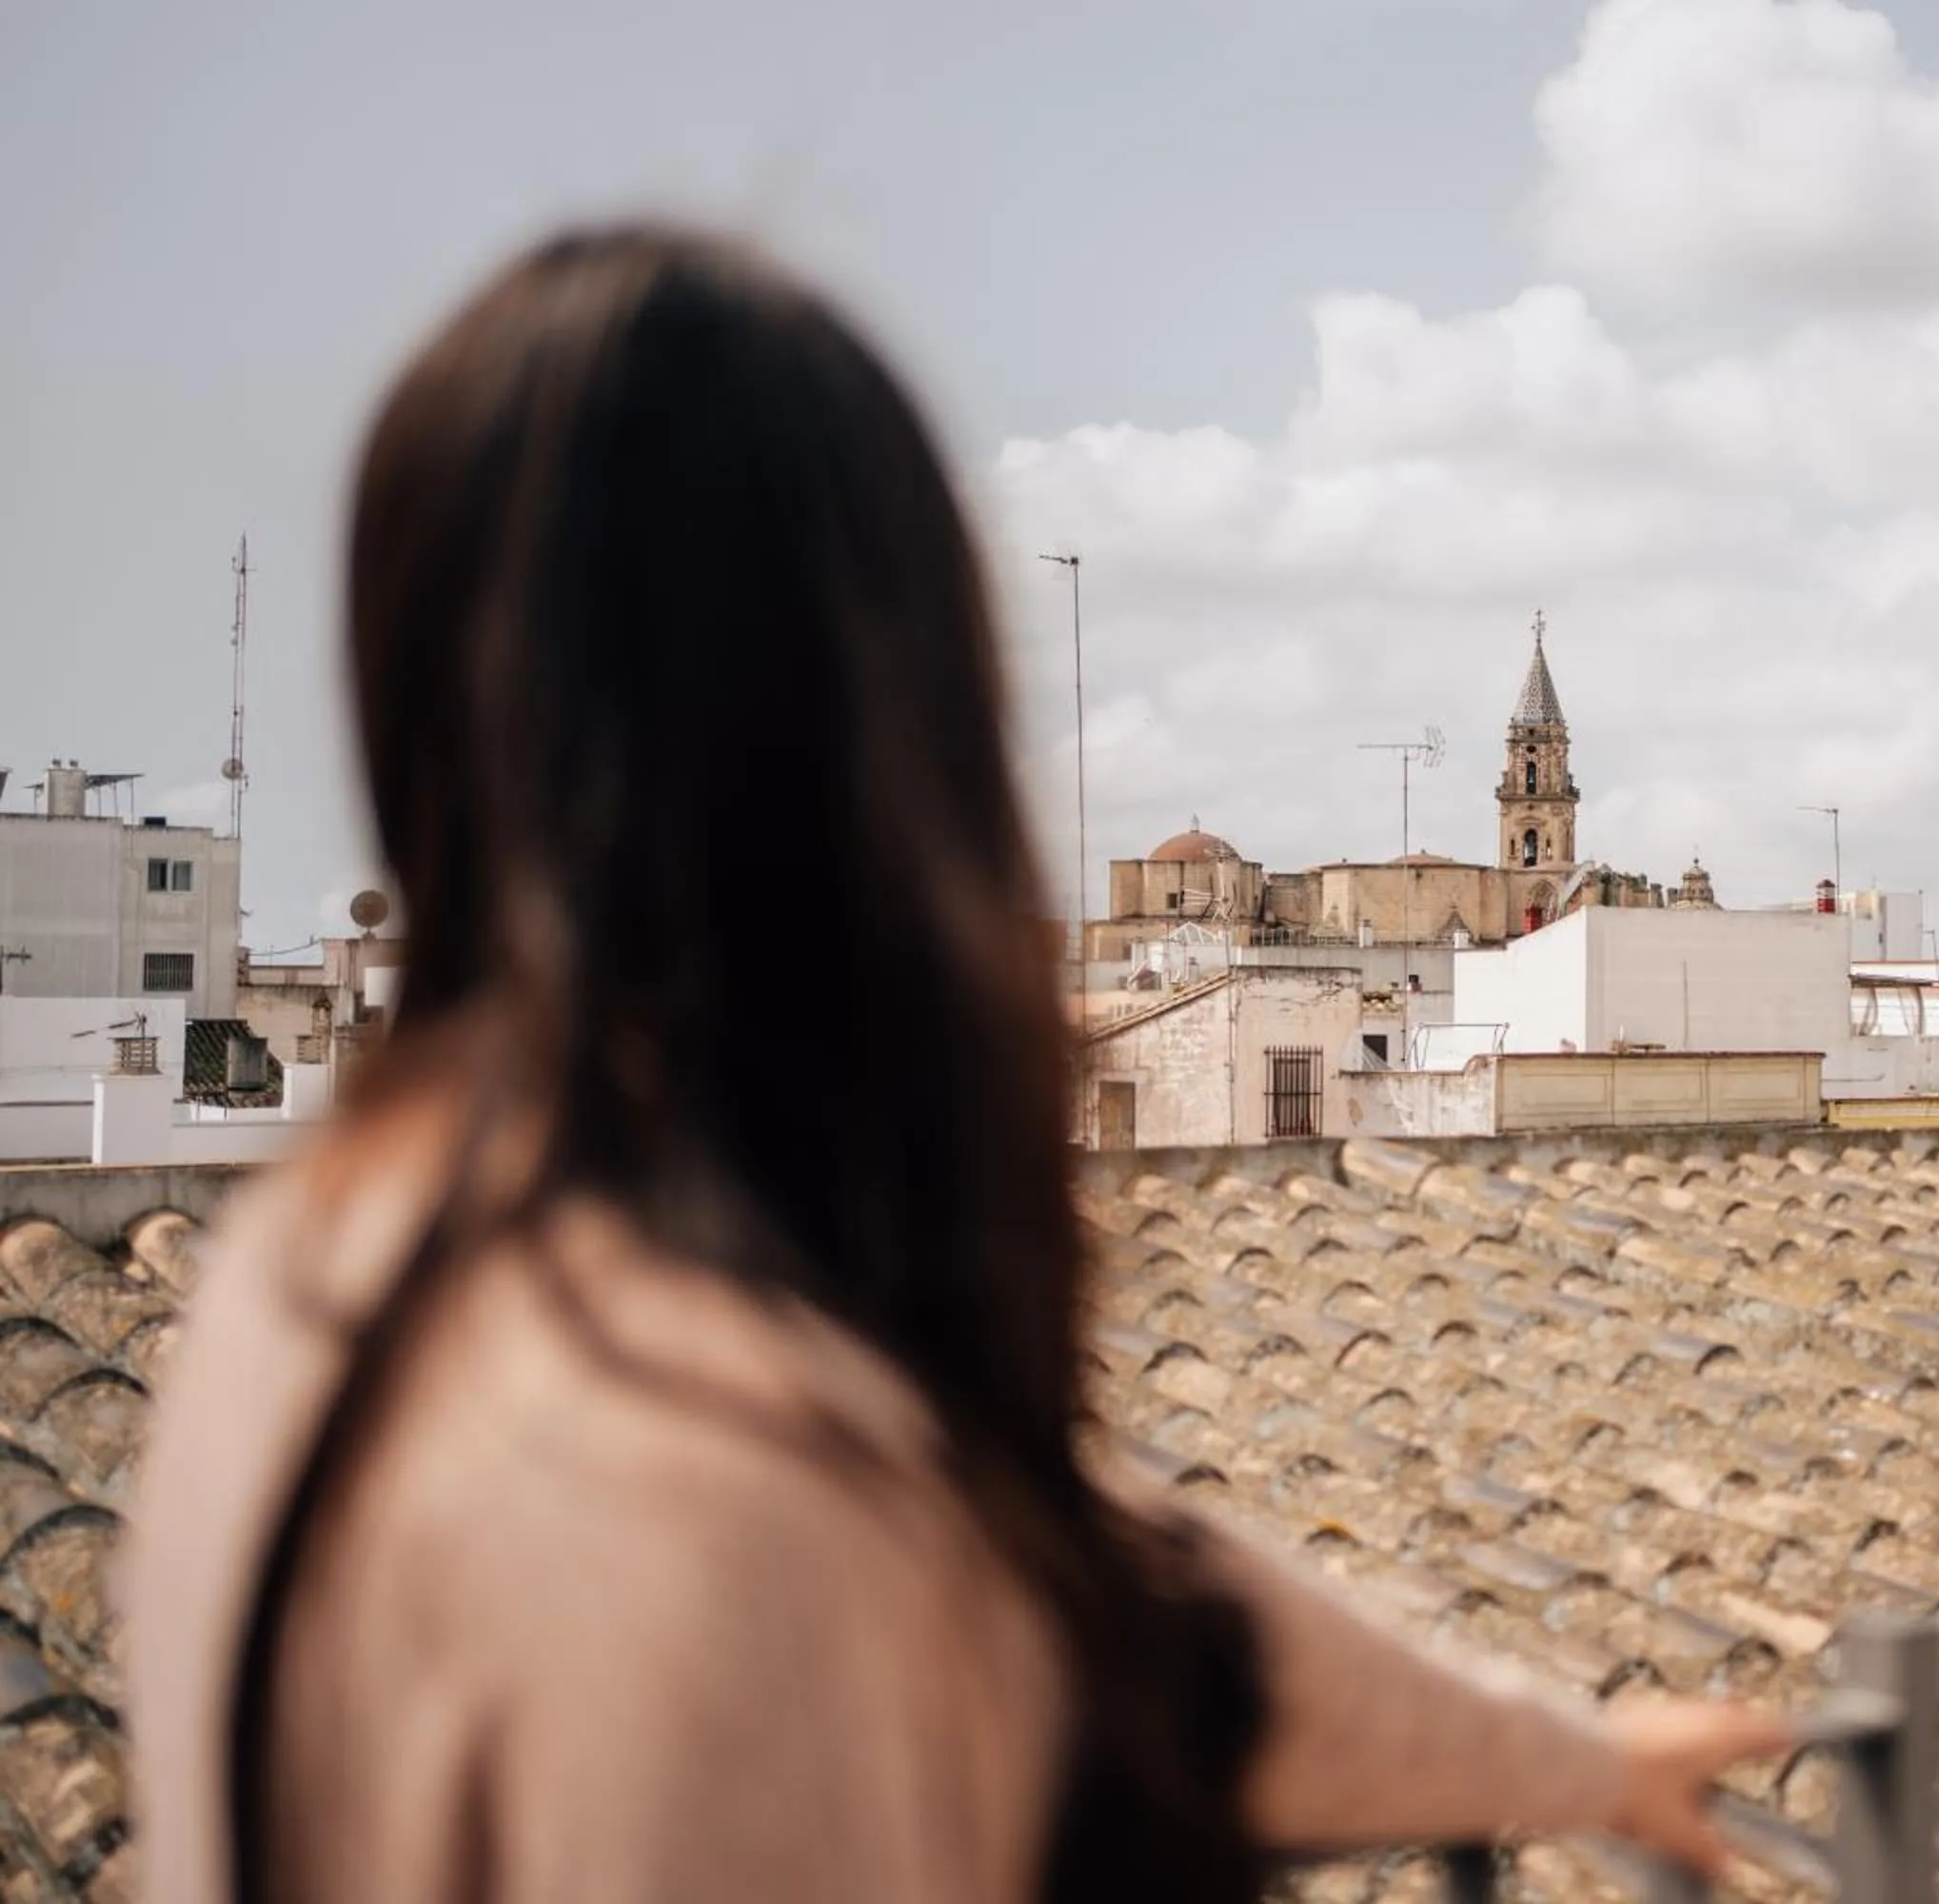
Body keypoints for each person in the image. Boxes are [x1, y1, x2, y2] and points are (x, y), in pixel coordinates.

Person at [124, 227, 1785, 1903]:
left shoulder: (289, 1289)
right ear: (895, 733)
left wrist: (1566, 1762)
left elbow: (1142, 1624)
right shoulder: (735, 1474)